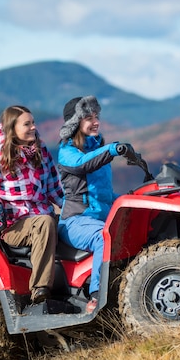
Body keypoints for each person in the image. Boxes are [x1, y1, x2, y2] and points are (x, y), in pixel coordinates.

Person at [0, 105, 64, 304]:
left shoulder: (42, 154)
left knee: (70, 225)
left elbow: (55, 191)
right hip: (15, 225)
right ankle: (40, 289)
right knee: (45, 223)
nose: (33, 127)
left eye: (33, 122)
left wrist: (75, 210)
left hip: (42, 217)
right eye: (27, 124)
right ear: (12, 129)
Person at [57, 95, 128, 313]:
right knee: (103, 237)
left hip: (101, 218)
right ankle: (97, 297)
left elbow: (103, 195)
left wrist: (131, 200)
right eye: (88, 117)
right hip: (75, 222)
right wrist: (111, 150)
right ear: (74, 123)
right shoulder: (68, 152)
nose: (95, 121)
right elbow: (82, 165)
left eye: (96, 116)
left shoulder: (97, 153)